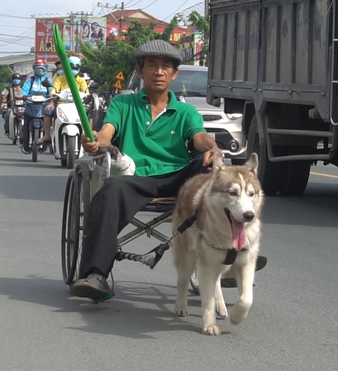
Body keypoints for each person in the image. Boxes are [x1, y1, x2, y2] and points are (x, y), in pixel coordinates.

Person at [70, 40, 223, 300]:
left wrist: (213, 149)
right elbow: (107, 133)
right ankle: (97, 275)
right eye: (152, 66)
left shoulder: (184, 111)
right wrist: (97, 140)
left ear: (174, 74)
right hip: (135, 179)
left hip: (178, 178)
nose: (159, 72)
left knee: (212, 170)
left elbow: (199, 136)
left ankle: (226, 255)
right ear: (140, 71)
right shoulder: (123, 105)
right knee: (111, 188)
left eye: (166, 67)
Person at [37, 56, 89, 145]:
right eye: (71, 67)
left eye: (76, 67)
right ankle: (47, 135)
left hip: (77, 106)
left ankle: (87, 135)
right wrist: (51, 103)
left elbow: (86, 93)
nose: (73, 69)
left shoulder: (81, 81)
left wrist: (88, 99)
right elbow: (53, 91)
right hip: (61, 105)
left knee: (90, 114)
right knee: (48, 112)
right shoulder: (60, 78)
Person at [20, 59, 52, 153]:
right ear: (34, 69)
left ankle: (50, 138)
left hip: (44, 106)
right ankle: (23, 137)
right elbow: (24, 91)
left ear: (45, 69)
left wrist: (51, 97)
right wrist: (22, 95)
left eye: (42, 68)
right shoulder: (30, 80)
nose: (40, 70)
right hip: (31, 105)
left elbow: (51, 92)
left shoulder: (48, 80)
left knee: (52, 121)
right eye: (38, 68)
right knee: (24, 121)